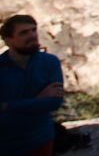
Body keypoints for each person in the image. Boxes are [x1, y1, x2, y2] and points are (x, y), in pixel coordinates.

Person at [0, 14, 64, 156]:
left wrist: (8, 106)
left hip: (40, 139)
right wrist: (38, 99)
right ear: (8, 40)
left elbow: (53, 102)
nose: (32, 35)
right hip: (6, 144)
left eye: (33, 30)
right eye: (24, 33)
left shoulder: (50, 62)